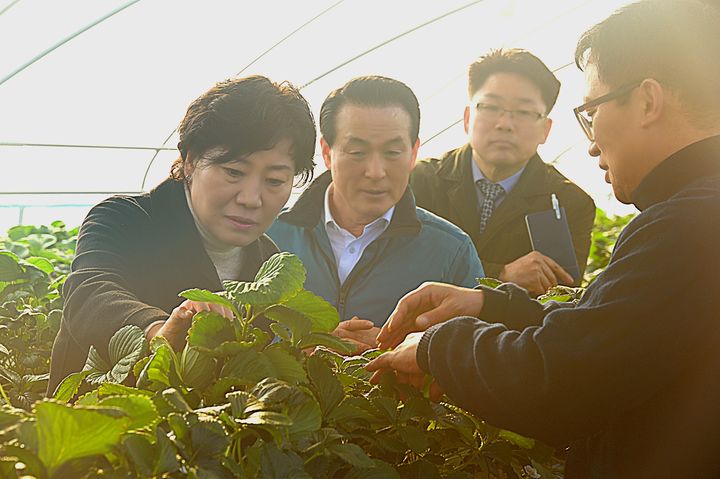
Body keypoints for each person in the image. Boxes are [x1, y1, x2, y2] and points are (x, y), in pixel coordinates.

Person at [368, 1, 720, 477]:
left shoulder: (687, 223)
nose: (591, 142)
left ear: (648, 101)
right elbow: (612, 325)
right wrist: (490, 305)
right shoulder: (695, 207)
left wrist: (437, 345)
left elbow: (562, 378)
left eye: (591, 112)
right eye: (491, 108)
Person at [48, 75, 316, 394]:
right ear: (189, 161)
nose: (251, 198)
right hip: (89, 431)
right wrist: (156, 331)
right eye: (234, 172)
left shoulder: (269, 264)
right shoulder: (125, 221)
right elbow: (89, 291)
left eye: (274, 181)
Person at [268, 76, 483, 353]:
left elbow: (474, 358)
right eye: (357, 152)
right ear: (327, 152)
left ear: (414, 152)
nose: (375, 171)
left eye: (393, 152)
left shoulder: (452, 251)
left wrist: (401, 350)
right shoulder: (270, 234)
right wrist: (307, 348)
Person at [410, 49, 595, 296]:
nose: (504, 124)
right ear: (467, 118)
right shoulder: (419, 180)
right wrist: (501, 275)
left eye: (524, 112)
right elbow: (399, 267)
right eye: (491, 106)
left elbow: (557, 299)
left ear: (545, 130)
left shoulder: (568, 203)